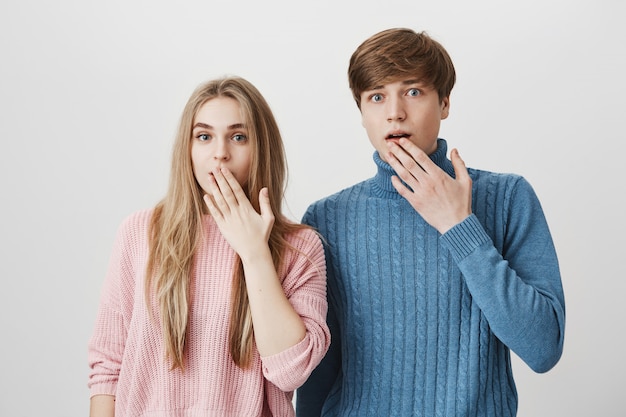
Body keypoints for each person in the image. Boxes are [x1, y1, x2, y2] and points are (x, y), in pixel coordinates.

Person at [296, 28, 565, 416]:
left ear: (445, 103)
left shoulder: (508, 198)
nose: (394, 112)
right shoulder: (326, 218)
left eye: (413, 91)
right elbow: (319, 371)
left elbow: (543, 348)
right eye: (376, 96)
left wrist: (459, 225)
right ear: (361, 112)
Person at [88, 76, 330, 417]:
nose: (220, 153)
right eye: (204, 136)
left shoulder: (300, 247)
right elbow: (108, 368)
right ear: (187, 149)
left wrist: (254, 254)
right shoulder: (140, 232)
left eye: (238, 137)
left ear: (261, 147)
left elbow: (291, 371)